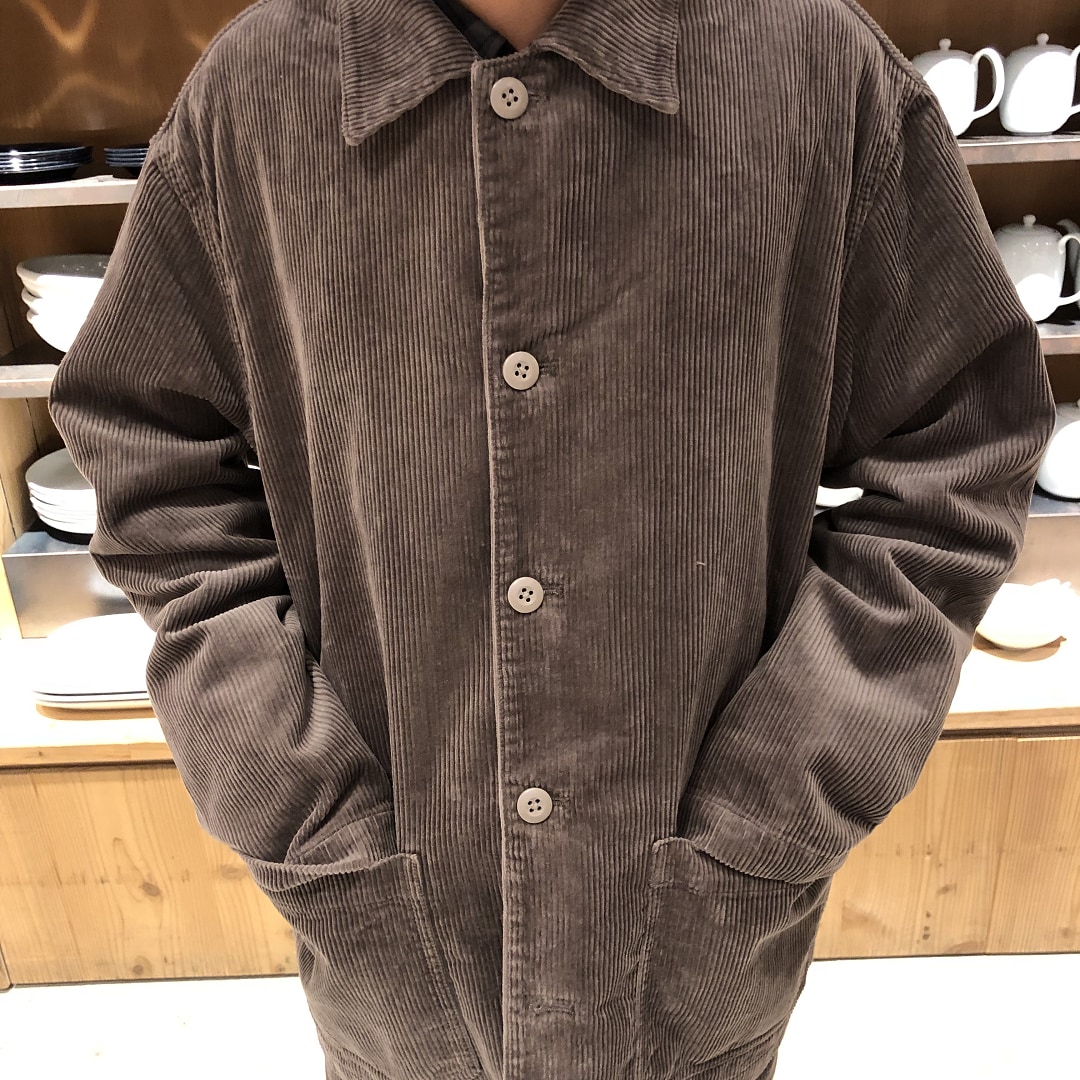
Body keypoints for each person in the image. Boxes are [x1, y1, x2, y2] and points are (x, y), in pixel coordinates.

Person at [47, 0, 1056, 1077]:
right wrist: (295, 799)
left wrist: (777, 805)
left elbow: (960, 453)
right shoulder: (260, 92)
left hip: (707, 967)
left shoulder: (810, 64)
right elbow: (149, 458)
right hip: (393, 971)